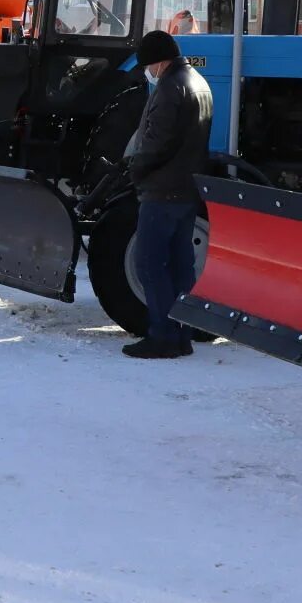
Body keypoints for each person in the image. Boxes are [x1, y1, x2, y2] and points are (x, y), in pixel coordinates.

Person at [121, 29, 214, 360]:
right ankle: (182, 335)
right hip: (187, 190)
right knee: (181, 265)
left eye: (147, 65)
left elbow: (156, 142)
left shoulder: (170, 88)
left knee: (150, 264)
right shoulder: (198, 83)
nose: (148, 71)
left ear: (158, 62)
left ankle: (161, 336)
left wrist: (135, 169)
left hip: (163, 191)